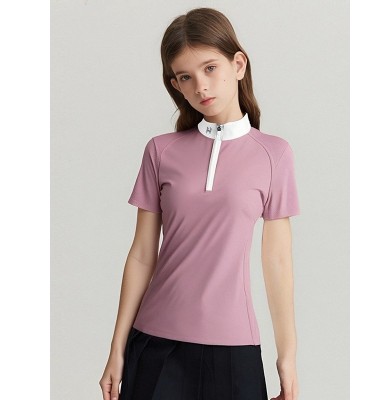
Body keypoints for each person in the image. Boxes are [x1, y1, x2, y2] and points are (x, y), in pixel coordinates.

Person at [99, 7, 300, 400]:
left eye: (210, 68)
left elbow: (277, 260)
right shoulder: (161, 151)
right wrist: (116, 348)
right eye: (185, 77)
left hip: (234, 347)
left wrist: (287, 357)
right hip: (155, 344)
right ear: (175, 84)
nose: (200, 87)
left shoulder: (274, 155)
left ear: (238, 64)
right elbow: (142, 254)